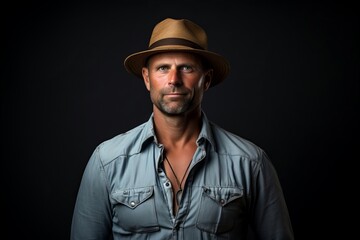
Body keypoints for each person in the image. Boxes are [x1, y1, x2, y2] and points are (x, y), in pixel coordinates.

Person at [70, 18, 295, 240]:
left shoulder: (250, 162)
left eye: (186, 68)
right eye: (163, 68)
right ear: (147, 79)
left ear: (206, 80)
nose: (174, 80)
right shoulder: (107, 161)